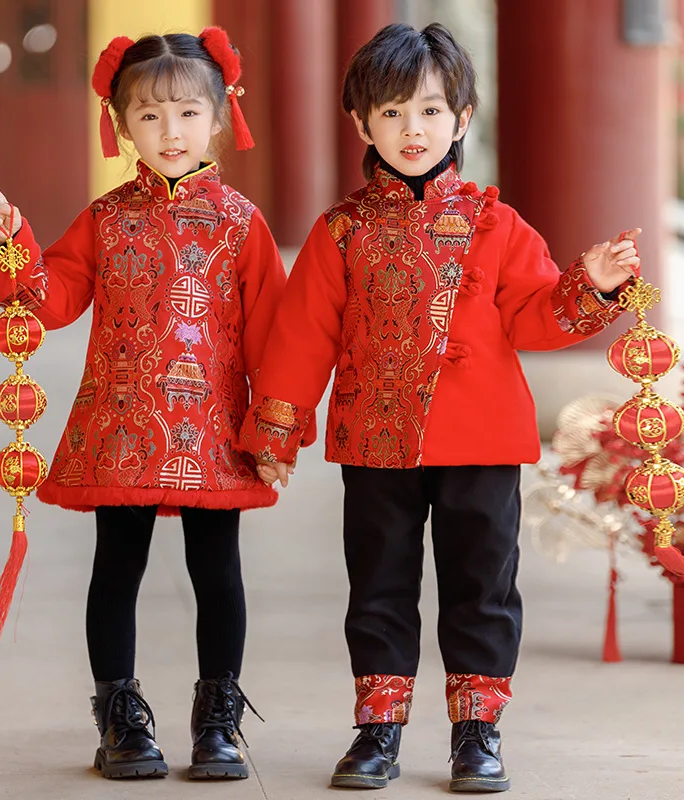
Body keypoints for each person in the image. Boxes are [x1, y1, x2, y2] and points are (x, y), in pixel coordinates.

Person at [240, 22, 640, 793]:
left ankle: (476, 732)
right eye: (390, 113)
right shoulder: (340, 234)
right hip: (373, 440)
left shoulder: (498, 225)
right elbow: (301, 339)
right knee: (378, 588)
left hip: (482, 441)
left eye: (428, 111)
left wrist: (587, 283)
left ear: (462, 118)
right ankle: (377, 731)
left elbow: (534, 318)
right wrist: (277, 429)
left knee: (480, 589)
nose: (410, 129)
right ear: (361, 123)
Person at [0, 28, 284, 782]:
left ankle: (218, 718)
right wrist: (14, 243)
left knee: (220, 572)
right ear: (119, 125)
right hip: (123, 427)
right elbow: (53, 297)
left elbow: (275, 331)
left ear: (219, 117)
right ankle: (120, 717)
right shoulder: (105, 221)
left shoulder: (241, 222)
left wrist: (274, 425)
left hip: (212, 430)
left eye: (186, 113)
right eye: (148, 116)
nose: (169, 133)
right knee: (118, 567)